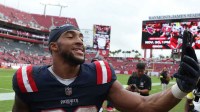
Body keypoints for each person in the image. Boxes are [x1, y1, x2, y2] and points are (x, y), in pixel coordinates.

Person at [12, 24, 200, 112]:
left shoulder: (99, 74)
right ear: (54, 46)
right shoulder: (29, 79)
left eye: (80, 37)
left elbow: (145, 105)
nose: (79, 41)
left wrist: (181, 88)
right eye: (70, 36)